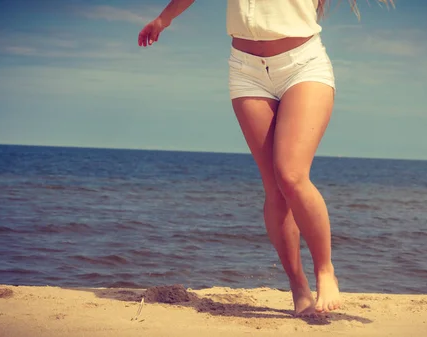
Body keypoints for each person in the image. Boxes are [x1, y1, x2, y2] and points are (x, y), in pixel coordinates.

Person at [138, 0, 390, 316]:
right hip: (247, 70)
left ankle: (325, 270)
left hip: (303, 64)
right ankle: (299, 287)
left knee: (291, 175)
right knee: (274, 188)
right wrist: (164, 19)